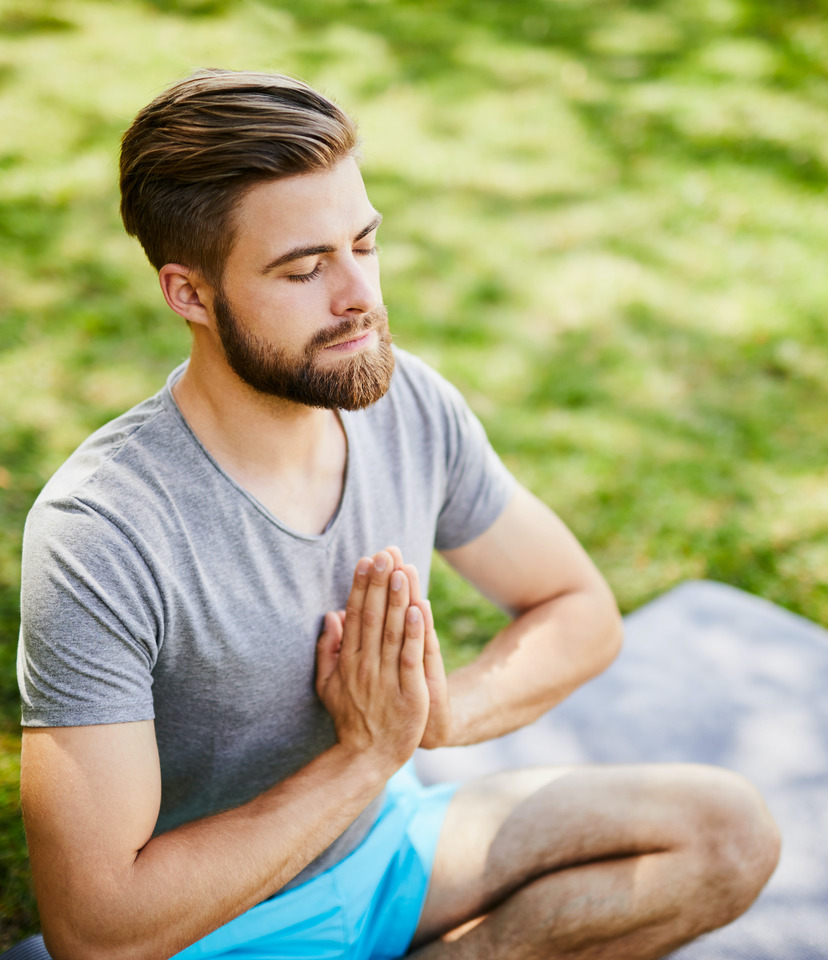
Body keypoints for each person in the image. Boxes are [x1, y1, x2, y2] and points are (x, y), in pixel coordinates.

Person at [17, 69, 780, 960]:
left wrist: (435, 718)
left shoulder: (405, 402)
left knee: (728, 832)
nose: (359, 298)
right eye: (304, 268)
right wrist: (364, 757)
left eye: (364, 245)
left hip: (389, 850)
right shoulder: (101, 532)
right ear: (189, 294)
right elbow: (97, 932)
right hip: (213, 926)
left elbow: (579, 609)